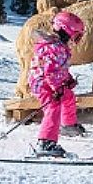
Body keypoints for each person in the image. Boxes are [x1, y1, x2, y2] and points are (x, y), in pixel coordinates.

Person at [28, 11, 85, 157]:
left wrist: (68, 79)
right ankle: (45, 142)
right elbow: (50, 71)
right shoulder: (53, 48)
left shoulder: (60, 47)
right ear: (66, 31)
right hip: (42, 83)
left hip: (52, 82)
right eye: (76, 36)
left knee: (68, 96)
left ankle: (68, 125)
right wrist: (58, 87)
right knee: (54, 106)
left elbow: (61, 69)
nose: (76, 40)